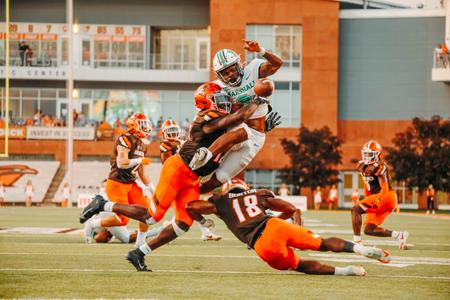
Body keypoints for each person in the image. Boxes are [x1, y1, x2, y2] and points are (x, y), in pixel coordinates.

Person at [80, 82, 267, 271]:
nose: (224, 102)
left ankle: (139, 253)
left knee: (183, 224)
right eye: (218, 99)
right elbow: (240, 116)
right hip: (178, 170)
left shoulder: (221, 119)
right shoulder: (205, 120)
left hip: (192, 177)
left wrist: (262, 127)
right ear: (205, 104)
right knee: (152, 217)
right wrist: (259, 100)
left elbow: (240, 123)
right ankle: (101, 204)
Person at [184, 178, 390, 275]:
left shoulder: (221, 201)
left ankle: (348, 271)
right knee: (323, 243)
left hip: (261, 245)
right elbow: (291, 209)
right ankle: (360, 248)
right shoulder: (258, 194)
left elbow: (190, 206)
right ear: (245, 188)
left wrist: (205, 220)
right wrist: (284, 224)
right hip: (274, 225)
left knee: (298, 265)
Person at [191, 39, 284, 194]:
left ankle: (188, 197)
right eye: (225, 73)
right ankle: (205, 155)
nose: (230, 74)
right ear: (219, 75)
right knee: (241, 131)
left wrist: (261, 50)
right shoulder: (218, 87)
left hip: (256, 136)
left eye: (232, 69)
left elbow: (277, 64)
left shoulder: (253, 69)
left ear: (239, 64)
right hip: (233, 127)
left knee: (219, 179)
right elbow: (206, 110)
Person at [80, 113, 154, 248]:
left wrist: (152, 189)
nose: (146, 128)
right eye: (143, 125)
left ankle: (140, 243)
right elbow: (121, 163)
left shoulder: (143, 145)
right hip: (117, 183)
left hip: (131, 183)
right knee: (122, 220)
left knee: (147, 212)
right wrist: (139, 160)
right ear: (134, 125)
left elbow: (141, 172)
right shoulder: (125, 139)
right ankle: (93, 223)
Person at [159, 119, 222, 241]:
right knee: (179, 208)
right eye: (169, 131)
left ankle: (206, 232)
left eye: (174, 131)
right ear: (164, 132)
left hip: (187, 176)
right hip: (176, 178)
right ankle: (164, 229)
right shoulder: (165, 145)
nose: (172, 134)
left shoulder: (181, 142)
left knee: (191, 204)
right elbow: (167, 163)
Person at [352, 141, 409, 249]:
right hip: (378, 197)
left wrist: (377, 199)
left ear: (377, 154)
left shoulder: (379, 167)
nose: (367, 157)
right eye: (365, 154)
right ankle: (399, 235)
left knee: (355, 209)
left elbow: (384, 187)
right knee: (369, 230)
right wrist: (368, 198)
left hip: (386, 196)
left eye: (370, 154)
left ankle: (357, 243)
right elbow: (367, 184)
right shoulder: (361, 165)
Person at [84, 212, 165, 244]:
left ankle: (161, 229)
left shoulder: (94, 225)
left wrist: (87, 237)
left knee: (127, 238)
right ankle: (161, 229)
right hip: (113, 215)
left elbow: (89, 221)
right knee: (127, 235)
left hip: (111, 216)